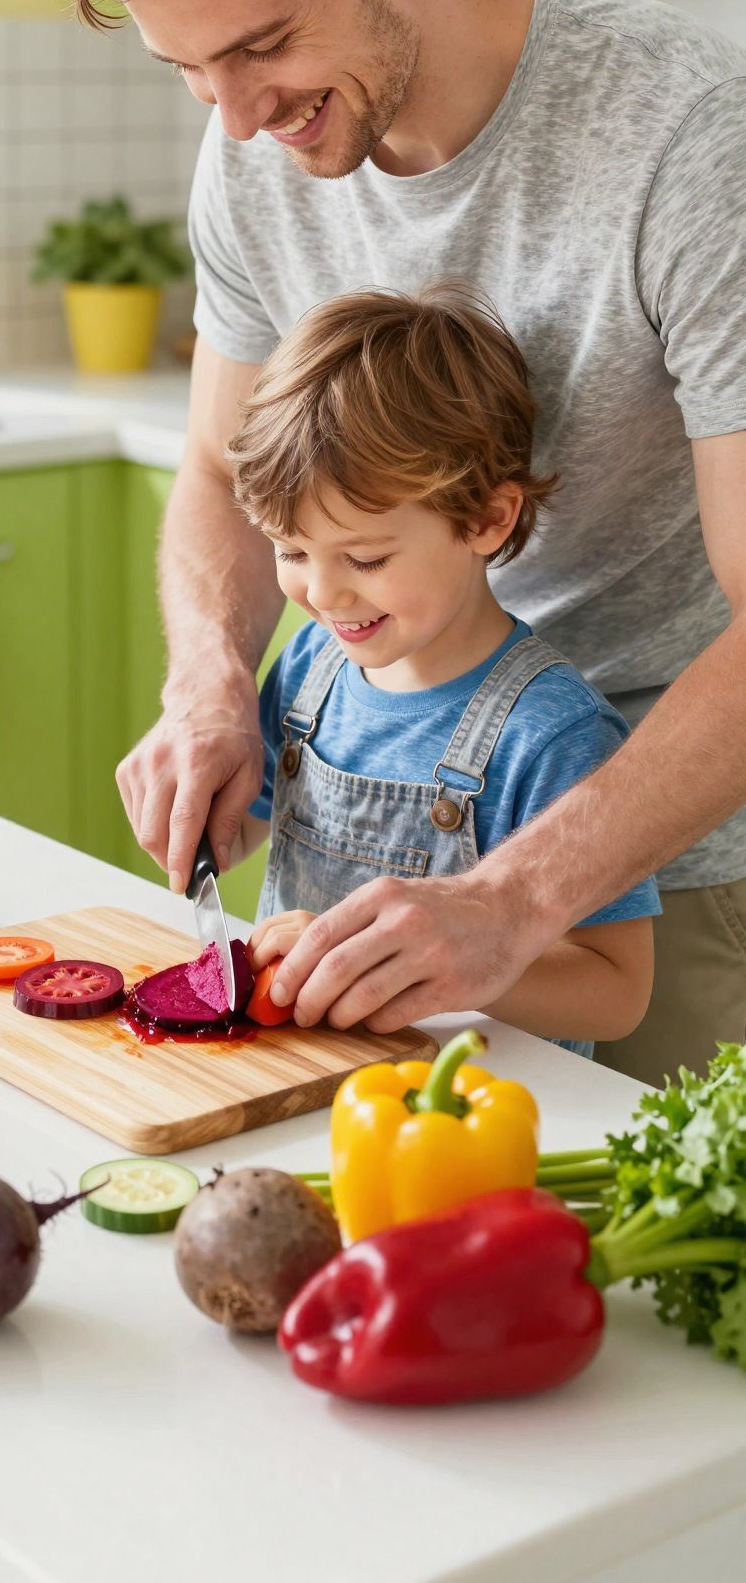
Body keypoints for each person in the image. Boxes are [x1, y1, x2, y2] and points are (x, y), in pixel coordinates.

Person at [43, 0, 746, 1082]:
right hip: (368, 860)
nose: (235, 118)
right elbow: (213, 472)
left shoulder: (691, 138)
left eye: (258, 48)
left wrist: (516, 898)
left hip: (648, 880)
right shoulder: (247, 151)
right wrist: (208, 685)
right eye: (187, 72)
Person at [222, 286, 657, 1055]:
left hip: (475, 1114)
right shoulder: (309, 670)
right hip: (306, 1085)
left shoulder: (555, 733)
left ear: (489, 519)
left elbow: (616, 992)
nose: (321, 594)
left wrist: (451, 967)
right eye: (292, 552)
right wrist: (201, 818)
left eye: (365, 557)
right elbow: (252, 817)